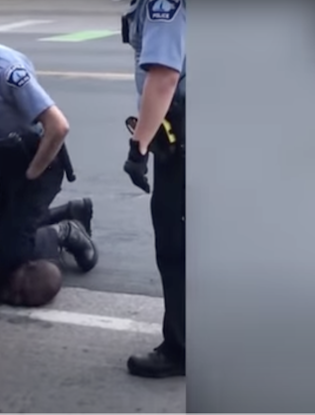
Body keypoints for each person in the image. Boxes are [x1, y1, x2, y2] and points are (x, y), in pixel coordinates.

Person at [0, 27, 99, 294]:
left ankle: (66, 230)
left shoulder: (4, 69)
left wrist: (33, 174)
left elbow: (58, 127)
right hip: (2, 159)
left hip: (39, 158)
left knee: (10, 253)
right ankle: (66, 211)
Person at [121, 0, 186, 378]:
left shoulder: (165, 4)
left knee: (176, 242)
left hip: (186, 133)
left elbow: (163, 76)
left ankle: (181, 348)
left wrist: (138, 147)